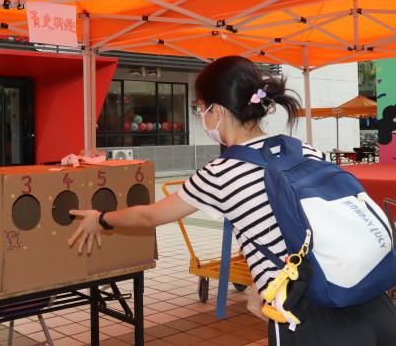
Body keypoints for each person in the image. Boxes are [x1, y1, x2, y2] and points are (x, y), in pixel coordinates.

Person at [68, 56, 396, 346]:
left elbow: (149, 216)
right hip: (373, 300)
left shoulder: (221, 173)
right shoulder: (304, 149)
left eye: (201, 107)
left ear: (218, 111)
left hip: (309, 316)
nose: (201, 114)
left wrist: (101, 218)